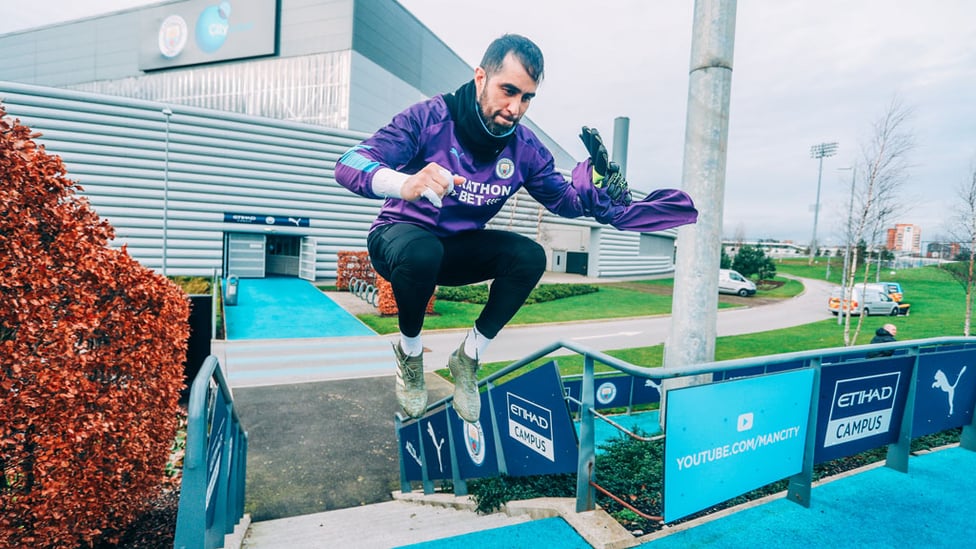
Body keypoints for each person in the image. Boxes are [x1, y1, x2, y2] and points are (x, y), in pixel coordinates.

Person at [334, 34, 697, 422]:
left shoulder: (524, 148)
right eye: (508, 91)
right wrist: (403, 184)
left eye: (526, 97)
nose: (515, 108)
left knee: (529, 256)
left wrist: (596, 185)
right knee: (424, 251)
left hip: (457, 249)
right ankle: (409, 354)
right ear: (480, 78)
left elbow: (564, 200)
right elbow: (350, 162)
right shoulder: (430, 119)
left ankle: (468, 358)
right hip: (399, 239)